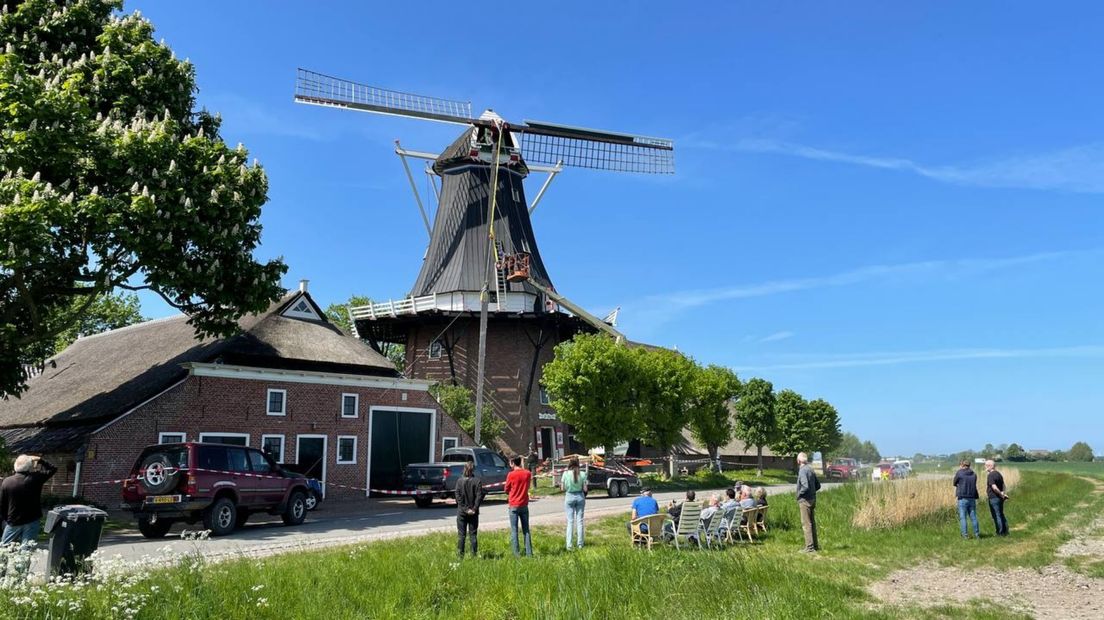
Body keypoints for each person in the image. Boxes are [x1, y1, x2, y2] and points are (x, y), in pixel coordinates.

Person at [0, 455, 57, 546]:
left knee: (4, 549)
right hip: (32, 520)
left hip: (13, 521)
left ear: (15, 466)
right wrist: (40, 460)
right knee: (26, 552)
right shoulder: (35, 478)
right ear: (29, 467)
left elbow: (2, 505)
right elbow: (53, 469)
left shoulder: (7, 482)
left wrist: (6, 520)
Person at [504, 455, 533, 556]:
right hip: (524, 504)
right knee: (526, 530)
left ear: (512, 463)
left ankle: (516, 554)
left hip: (513, 504)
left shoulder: (510, 475)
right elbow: (528, 486)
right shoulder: (528, 473)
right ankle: (529, 553)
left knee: (514, 530)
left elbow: (506, 489)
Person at [454, 461, 484, 557]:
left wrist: (465, 509)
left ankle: (460, 556)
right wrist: (474, 508)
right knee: (473, 534)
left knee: (461, 535)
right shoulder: (477, 481)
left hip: (462, 513)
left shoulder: (459, 481)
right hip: (474, 513)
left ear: (464, 469)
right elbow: (479, 496)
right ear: (473, 469)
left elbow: (458, 497)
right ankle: (474, 555)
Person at [796, 452, 821, 552]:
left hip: (805, 500)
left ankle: (809, 548)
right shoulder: (810, 469)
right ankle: (815, 546)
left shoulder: (802, 471)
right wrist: (812, 492)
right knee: (811, 523)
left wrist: (799, 494)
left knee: (806, 524)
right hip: (812, 499)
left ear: (798, 461)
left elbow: (805, 486)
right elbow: (818, 485)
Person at [561, 456, 587, 549]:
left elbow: (562, 488)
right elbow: (585, 488)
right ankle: (580, 544)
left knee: (570, 522)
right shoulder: (583, 474)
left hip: (569, 496)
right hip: (580, 496)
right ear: (578, 464)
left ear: (569, 464)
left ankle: (569, 545)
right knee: (580, 521)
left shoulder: (565, 474)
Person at [953, 460, 980, 539]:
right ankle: (977, 534)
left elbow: (954, 482)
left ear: (962, 465)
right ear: (969, 465)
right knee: (973, 517)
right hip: (972, 497)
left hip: (962, 497)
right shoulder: (974, 474)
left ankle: (965, 535)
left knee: (963, 517)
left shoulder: (959, 473)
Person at [984, 459, 1009, 536]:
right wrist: (1003, 493)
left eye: (986, 466)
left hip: (994, 497)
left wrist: (1000, 494)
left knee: (996, 515)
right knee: (1001, 514)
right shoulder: (998, 474)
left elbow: (994, 487)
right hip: (1000, 498)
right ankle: (1005, 531)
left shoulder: (991, 475)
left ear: (990, 466)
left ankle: (1000, 532)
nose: (985, 467)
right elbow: (1004, 485)